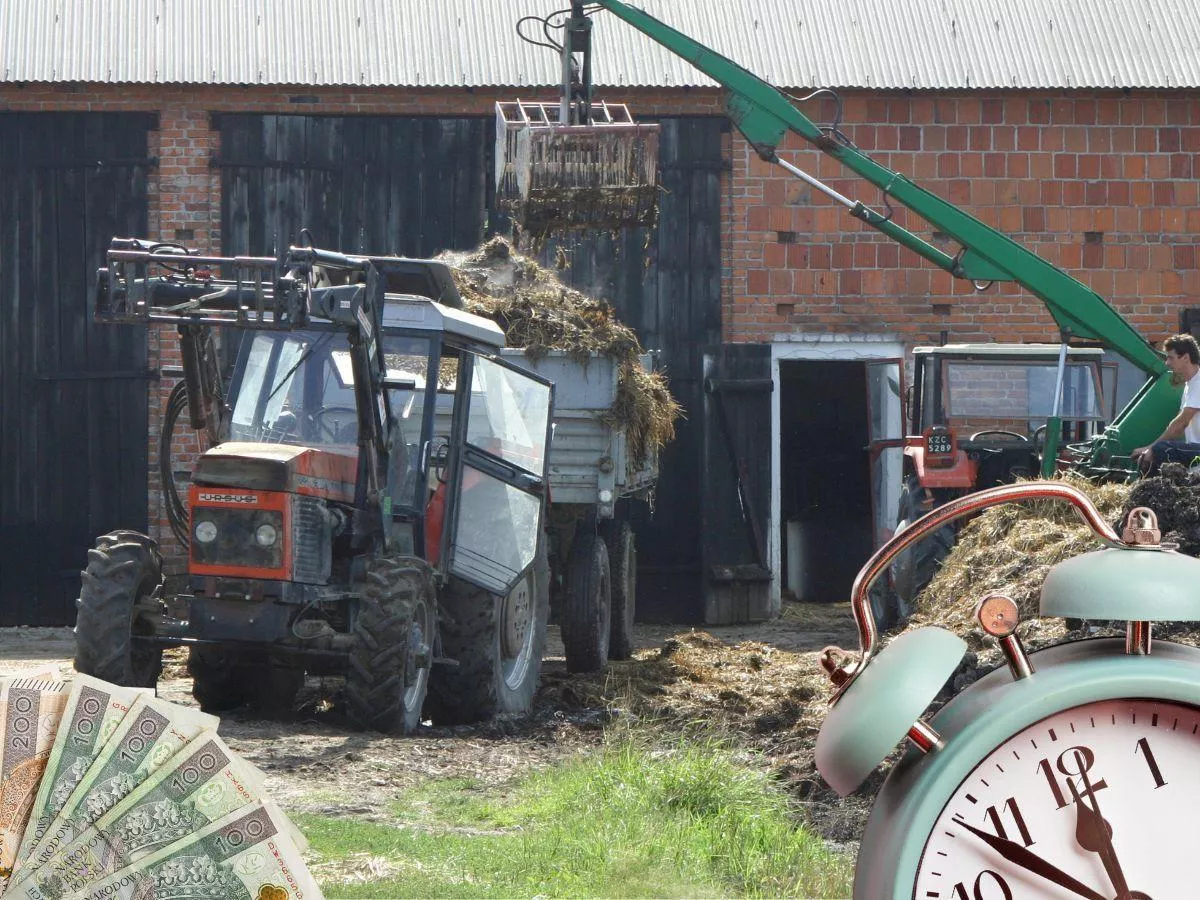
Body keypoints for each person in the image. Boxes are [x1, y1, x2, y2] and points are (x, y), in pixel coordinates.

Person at [1131, 334, 1200, 475]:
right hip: (1195, 449)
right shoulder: (1190, 384)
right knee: (1155, 453)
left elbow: (1180, 424)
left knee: (1161, 450)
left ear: (1186, 357)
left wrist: (1151, 447)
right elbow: (1179, 430)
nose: (1167, 363)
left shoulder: (1198, 383)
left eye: (1171, 357)